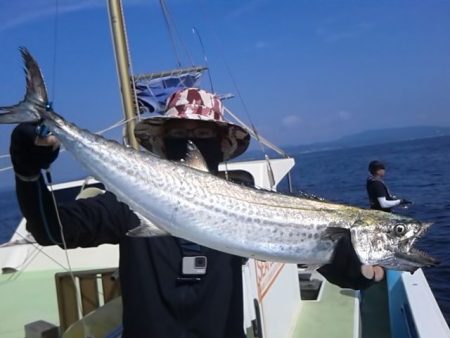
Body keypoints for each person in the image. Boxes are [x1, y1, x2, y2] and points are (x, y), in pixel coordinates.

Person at [10, 88, 383, 338]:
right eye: (181, 131)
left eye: (202, 133)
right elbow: (51, 229)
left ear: (222, 144)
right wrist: (29, 174)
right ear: (162, 140)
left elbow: (303, 244)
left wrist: (354, 269)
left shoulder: (250, 203)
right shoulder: (129, 201)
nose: (191, 140)